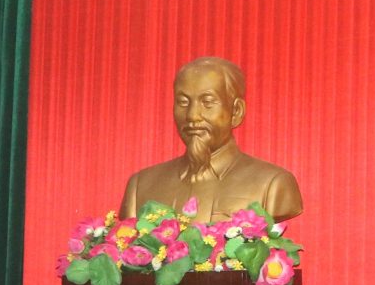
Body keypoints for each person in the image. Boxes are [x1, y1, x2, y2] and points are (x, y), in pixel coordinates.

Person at [121, 56, 303, 221]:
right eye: (183, 102)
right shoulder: (141, 185)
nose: (192, 115)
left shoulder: (272, 184)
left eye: (207, 102)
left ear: (236, 111)